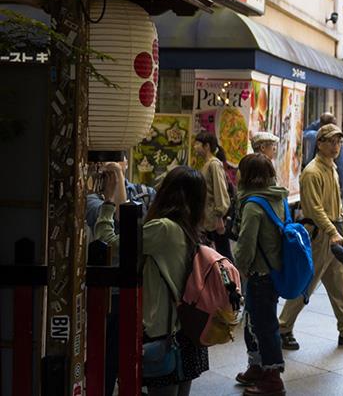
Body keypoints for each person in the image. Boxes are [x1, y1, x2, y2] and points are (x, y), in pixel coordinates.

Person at [95, 166, 210, 396]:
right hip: (188, 333)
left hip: (165, 335)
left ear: (169, 192)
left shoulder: (164, 228)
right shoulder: (190, 228)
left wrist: (107, 204)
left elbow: (109, 243)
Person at [279, 124, 343, 350]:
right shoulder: (312, 172)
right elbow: (314, 209)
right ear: (319, 143)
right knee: (308, 281)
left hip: (333, 233)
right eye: (331, 141)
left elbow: (336, 200)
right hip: (321, 235)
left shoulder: (330, 167)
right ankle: (282, 328)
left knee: (338, 282)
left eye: (339, 142)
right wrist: (332, 230)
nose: (336, 146)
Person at [85, 155, 156, 396]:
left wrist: (120, 183)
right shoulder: (91, 201)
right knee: (107, 351)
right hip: (107, 291)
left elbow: (131, 226)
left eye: (119, 161)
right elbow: (114, 224)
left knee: (130, 347)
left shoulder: (142, 192)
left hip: (137, 287)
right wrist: (112, 191)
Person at [233, 154, 288, 395]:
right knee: (254, 322)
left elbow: (246, 244)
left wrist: (239, 268)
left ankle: (272, 378)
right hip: (274, 270)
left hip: (260, 273)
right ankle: (256, 366)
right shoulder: (277, 197)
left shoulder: (254, 204)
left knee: (264, 326)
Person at [193, 131, 233, 261]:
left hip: (214, 220)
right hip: (208, 219)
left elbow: (220, 191)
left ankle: (230, 280)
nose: (194, 147)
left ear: (207, 146)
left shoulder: (214, 164)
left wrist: (220, 216)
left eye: (197, 144)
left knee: (223, 255)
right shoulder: (206, 164)